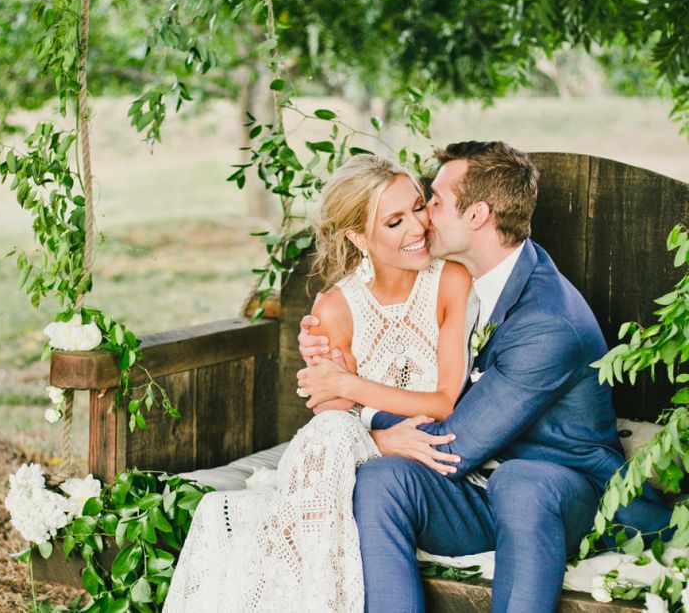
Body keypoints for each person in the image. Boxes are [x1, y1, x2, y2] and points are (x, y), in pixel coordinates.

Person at [297, 140, 671, 612]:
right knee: (382, 479)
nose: (424, 216)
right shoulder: (457, 279)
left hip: (571, 494)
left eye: (433, 201)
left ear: (476, 216)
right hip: (480, 488)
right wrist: (326, 352)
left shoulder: (548, 321)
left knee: (522, 483)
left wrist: (360, 410)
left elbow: (453, 445)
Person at [163, 154, 473, 612]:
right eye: (394, 221)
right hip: (367, 455)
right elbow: (334, 418)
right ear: (357, 237)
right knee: (236, 504)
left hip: (431, 464)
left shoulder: (450, 281)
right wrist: (380, 439)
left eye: (418, 207)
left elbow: (446, 401)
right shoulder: (336, 309)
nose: (417, 227)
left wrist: (348, 382)